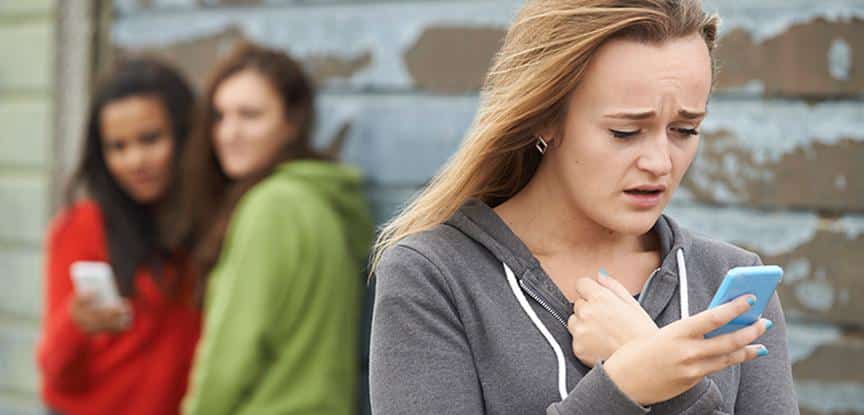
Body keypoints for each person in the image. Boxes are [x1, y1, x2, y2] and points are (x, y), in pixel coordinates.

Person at [369, 0, 798, 414]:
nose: (660, 162)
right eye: (625, 131)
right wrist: (627, 386)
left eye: (685, 129)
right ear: (544, 116)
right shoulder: (434, 276)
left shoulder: (728, 283)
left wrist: (668, 386)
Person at [174, 43, 374, 415]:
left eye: (250, 115)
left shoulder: (272, 206)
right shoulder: (324, 200)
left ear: (291, 123)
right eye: (219, 116)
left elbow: (232, 353)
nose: (228, 133)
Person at [37, 58, 201, 415]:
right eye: (118, 147)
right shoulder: (81, 226)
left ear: (186, 134)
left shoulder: (210, 225)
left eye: (150, 139)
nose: (135, 160)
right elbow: (53, 372)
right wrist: (76, 324)